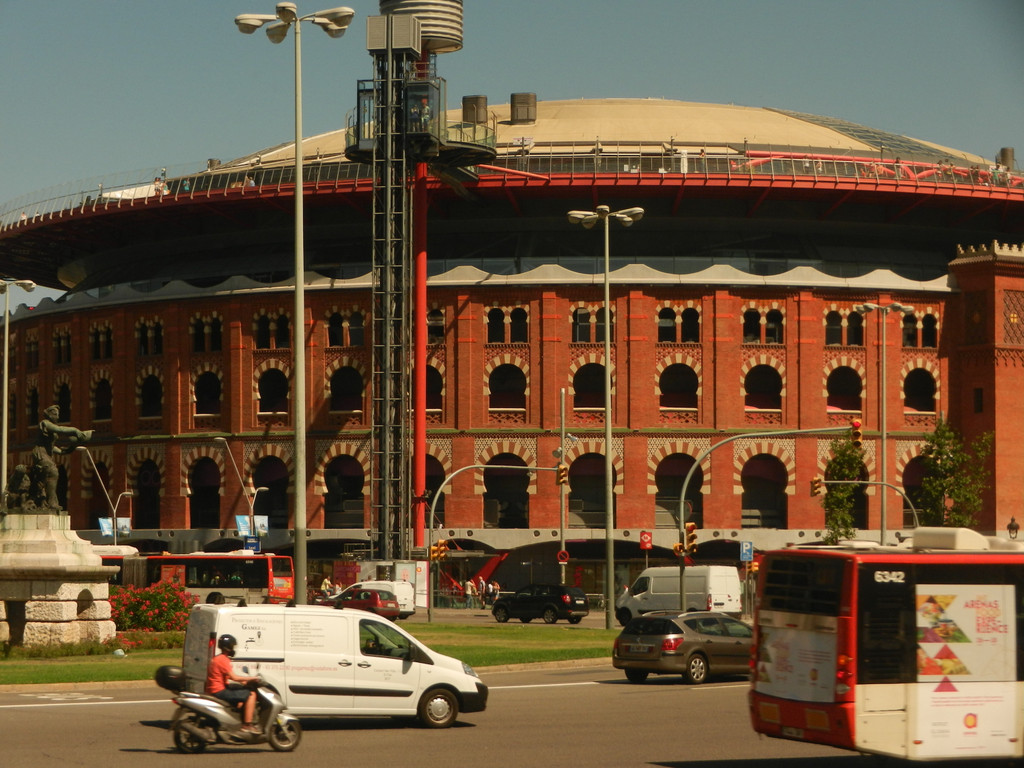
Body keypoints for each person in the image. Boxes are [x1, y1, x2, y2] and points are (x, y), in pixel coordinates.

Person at [205, 634, 260, 733]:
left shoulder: (217, 658)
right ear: (228, 647)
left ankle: (238, 715)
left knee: (241, 690)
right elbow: (234, 677)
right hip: (219, 691)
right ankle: (247, 725)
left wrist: (244, 682)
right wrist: (252, 678)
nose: (233, 649)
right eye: (232, 646)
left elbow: (228, 676)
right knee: (251, 694)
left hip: (213, 689)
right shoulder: (223, 660)